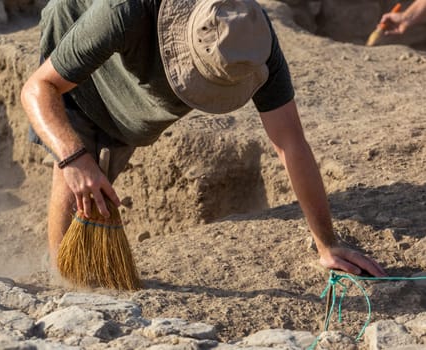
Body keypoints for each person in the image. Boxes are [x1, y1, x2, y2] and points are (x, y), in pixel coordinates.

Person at [21, 0, 388, 279]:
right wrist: (73, 158)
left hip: (134, 78)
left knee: (109, 161)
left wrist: (328, 243)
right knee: (77, 171)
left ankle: (74, 252)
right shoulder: (124, 10)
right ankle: (63, 278)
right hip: (78, 42)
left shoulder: (250, 37)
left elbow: (290, 143)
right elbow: (38, 88)